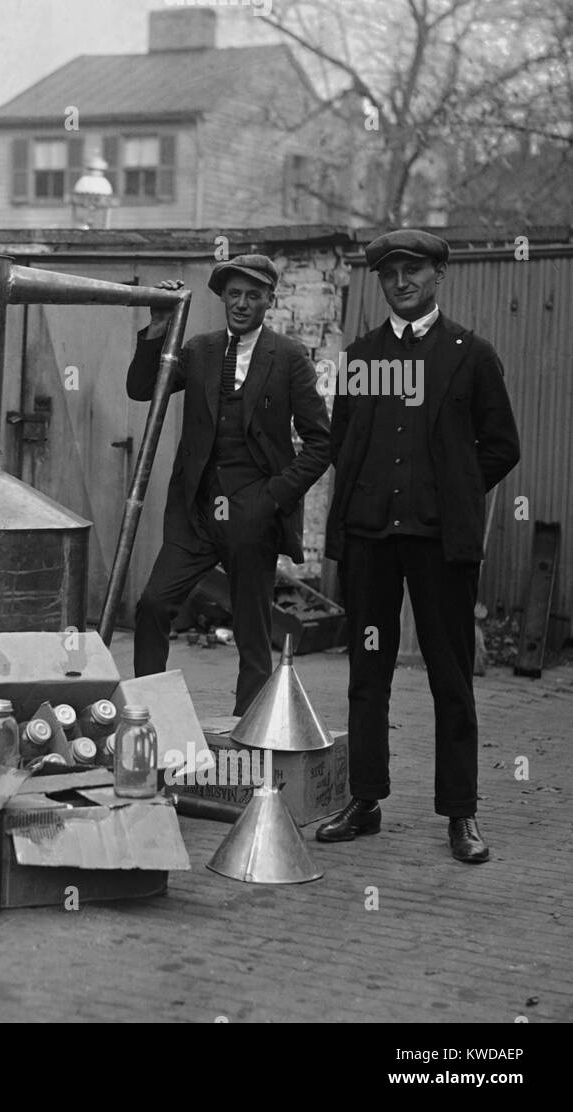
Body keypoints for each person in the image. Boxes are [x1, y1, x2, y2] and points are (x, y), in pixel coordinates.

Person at [317, 230, 521, 863]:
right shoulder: (362, 358)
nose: (401, 282)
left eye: (413, 270)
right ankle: (365, 799)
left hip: (439, 545)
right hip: (372, 542)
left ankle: (461, 814)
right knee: (367, 675)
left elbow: (501, 445)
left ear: (438, 274)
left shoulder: (472, 355)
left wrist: (455, 493)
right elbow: (345, 444)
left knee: (450, 677)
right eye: (389, 273)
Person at [127, 254, 331, 714]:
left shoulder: (289, 358)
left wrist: (271, 498)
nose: (242, 304)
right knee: (154, 605)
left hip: (252, 515)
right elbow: (142, 388)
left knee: (253, 632)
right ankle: (151, 718)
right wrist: (158, 325)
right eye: (234, 294)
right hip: (195, 513)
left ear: (269, 301)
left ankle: (249, 737)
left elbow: (321, 444)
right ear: (222, 298)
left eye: (253, 296)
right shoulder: (198, 350)